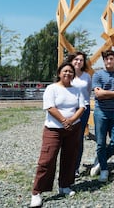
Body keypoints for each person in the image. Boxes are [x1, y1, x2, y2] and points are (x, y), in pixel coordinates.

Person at [30, 62, 86, 207]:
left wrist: (71, 120)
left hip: (73, 129)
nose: (68, 73)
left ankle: (65, 186)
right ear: (59, 73)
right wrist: (63, 120)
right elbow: (49, 107)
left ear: (74, 75)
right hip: (53, 129)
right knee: (47, 160)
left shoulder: (77, 90)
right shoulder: (52, 88)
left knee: (70, 157)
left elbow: (82, 107)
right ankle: (37, 192)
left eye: (71, 72)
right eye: (65, 71)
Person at [90, 50, 114, 182]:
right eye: (106, 59)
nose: (109, 61)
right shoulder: (97, 75)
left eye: (111, 59)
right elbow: (98, 94)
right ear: (104, 61)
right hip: (101, 112)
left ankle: (101, 159)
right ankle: (104, 170)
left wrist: (106, 93)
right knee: (100, 142)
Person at [66, 51, 92, 178]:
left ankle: (75, 167)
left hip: (84, 108)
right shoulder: (67, 75)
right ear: (71, 61)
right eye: (76, 59)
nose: (78, 62)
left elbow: (88, 92)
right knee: (67, 137)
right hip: (69, 108)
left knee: (78, 138)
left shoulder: (87, 76)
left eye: (81, 60)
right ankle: (66, 166)